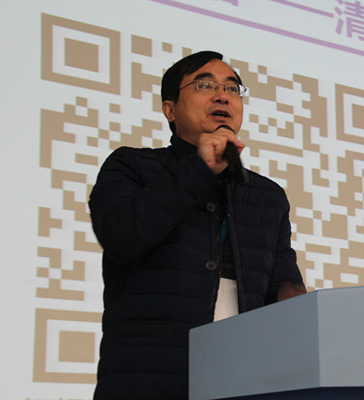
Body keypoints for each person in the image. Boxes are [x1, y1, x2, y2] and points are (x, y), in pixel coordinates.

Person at [88, 50, 306, 399]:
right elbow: (121, 237)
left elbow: (285, 291)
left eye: (232, 88)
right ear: (170, 109)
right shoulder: (131, 165)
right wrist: (198, 168)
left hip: (245, 376)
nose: (222, 96)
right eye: (205, 85)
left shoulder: (268, 195)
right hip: (150, 375)